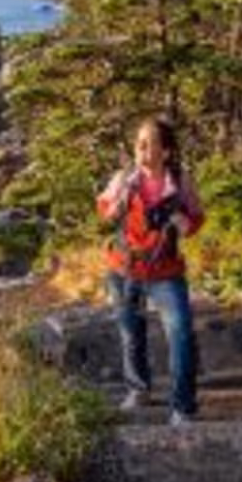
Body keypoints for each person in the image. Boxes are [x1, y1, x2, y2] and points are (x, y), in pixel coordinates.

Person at [96, 117, 205, 426]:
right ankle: (138, 388)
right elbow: (103, 209)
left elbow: (196, 218)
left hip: (165, 270)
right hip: (124, 268)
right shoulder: (123, 179)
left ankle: (183, 407)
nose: (142, 149)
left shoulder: (181, 180)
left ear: (166, 150)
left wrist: (186, 223)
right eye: (139, 143)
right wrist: (112, 208)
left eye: (149, 143)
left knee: (181, 333)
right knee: (131, 334)